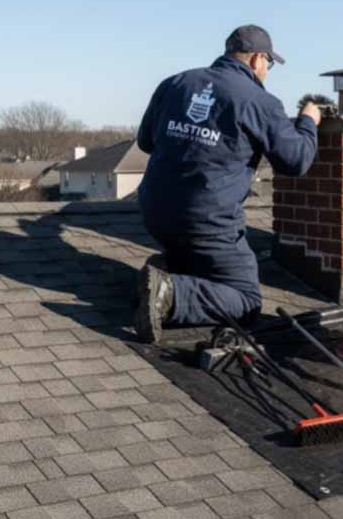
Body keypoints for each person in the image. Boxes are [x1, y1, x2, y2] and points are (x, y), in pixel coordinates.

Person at [134, 24, 321, 343]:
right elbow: (297, 161)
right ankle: (172, 293)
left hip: (155, 214)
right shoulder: (260, 102)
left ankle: (173, 267)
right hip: (207, 225)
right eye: (268, 64)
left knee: (199, 253)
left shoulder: (176, 83)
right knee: (246, 301)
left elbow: (146, 142)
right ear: (256, 60)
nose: (267, 72)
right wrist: (308, 121)